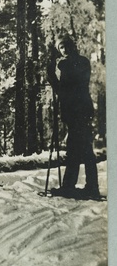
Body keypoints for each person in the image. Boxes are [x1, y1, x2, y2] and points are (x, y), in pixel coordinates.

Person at [47, 33, 100, 199]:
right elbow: (63, 90)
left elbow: (66, 90)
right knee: (78, 149)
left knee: (79, 149)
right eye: (61, 48)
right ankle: (85, 187)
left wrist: (54, 71)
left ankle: (77, 187)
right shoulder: (72, 63)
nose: (64, 50)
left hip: (80, 112)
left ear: (72, 46)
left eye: (66, 46)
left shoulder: (80, 62)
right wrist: (52, 72)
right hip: (75, 112)